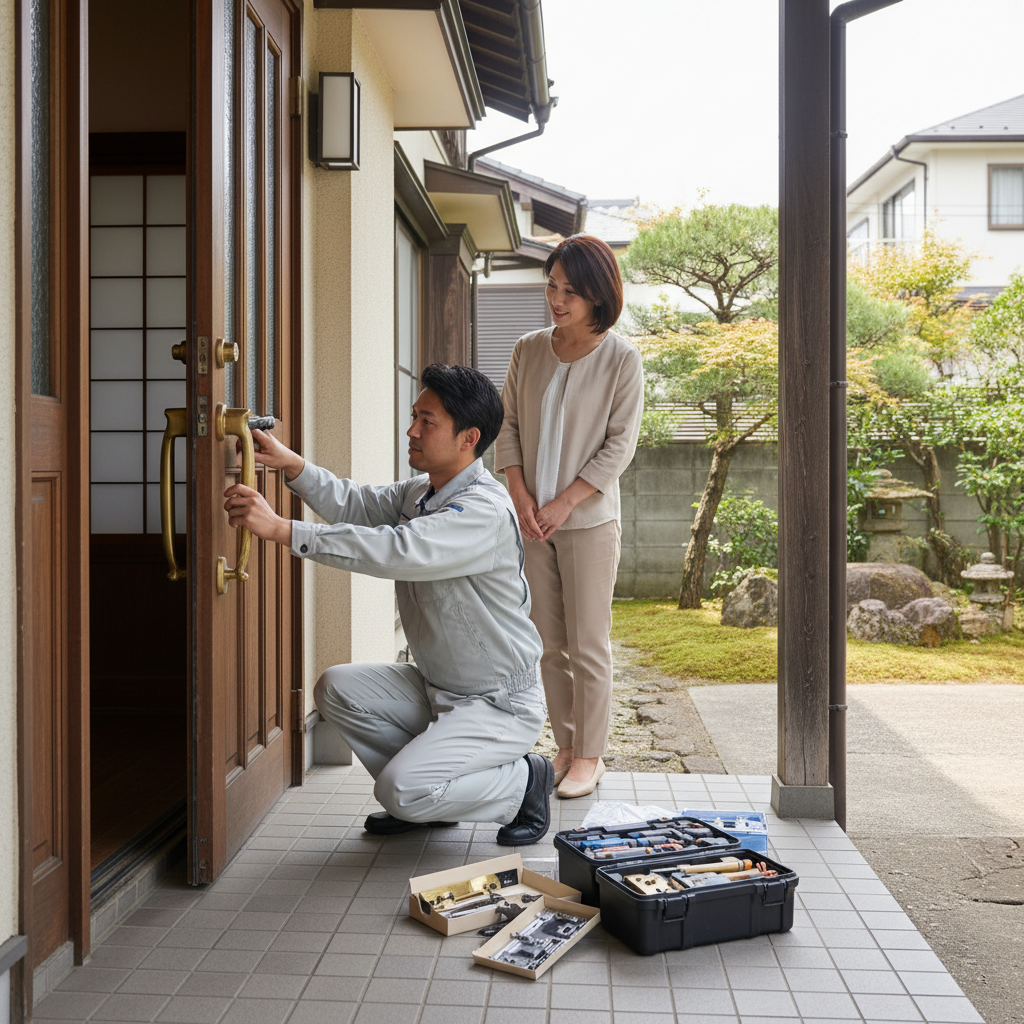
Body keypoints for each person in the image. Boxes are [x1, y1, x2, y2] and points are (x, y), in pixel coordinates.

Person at [223, 363, 554, 845]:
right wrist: (291, 464)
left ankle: (524, 783)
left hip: (497, 701)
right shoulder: (423, 491)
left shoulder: (483, 508)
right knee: (337, 688)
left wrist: (282, 529)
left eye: (428, 421)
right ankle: (429, 801)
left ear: (469, 438)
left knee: (399, 790)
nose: (411, 430)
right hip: (437, 685)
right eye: (414, 415)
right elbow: (356, 503)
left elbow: (397, 549)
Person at [494, 234, 644, 799]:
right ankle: (563, 746)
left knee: (588, 643)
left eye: (571, 292)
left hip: (587, 523)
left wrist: (564, 501)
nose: (557, 300)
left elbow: (619, 446)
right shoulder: (528, 349)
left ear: (599, 296)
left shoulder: (622, 359)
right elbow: (506, 426)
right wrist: (521, 495)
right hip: (532, 521)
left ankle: (590, 756)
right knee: (547, 642)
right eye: (552, 286)